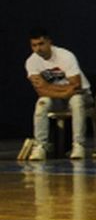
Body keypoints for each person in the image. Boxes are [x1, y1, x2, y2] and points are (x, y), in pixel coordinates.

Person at [26, 28, 90, 161]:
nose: (38, 49)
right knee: (42, 103)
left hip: (81, 95)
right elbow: (40, 91)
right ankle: (41, 146)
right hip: (60, 97)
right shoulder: (31, 62)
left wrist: (49, 87)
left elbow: (76, 85)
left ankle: (78, 145)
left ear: (49, 42)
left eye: (41, 44)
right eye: (34, 45)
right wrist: (63, 93)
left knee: (76, 100)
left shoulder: (65, 56)